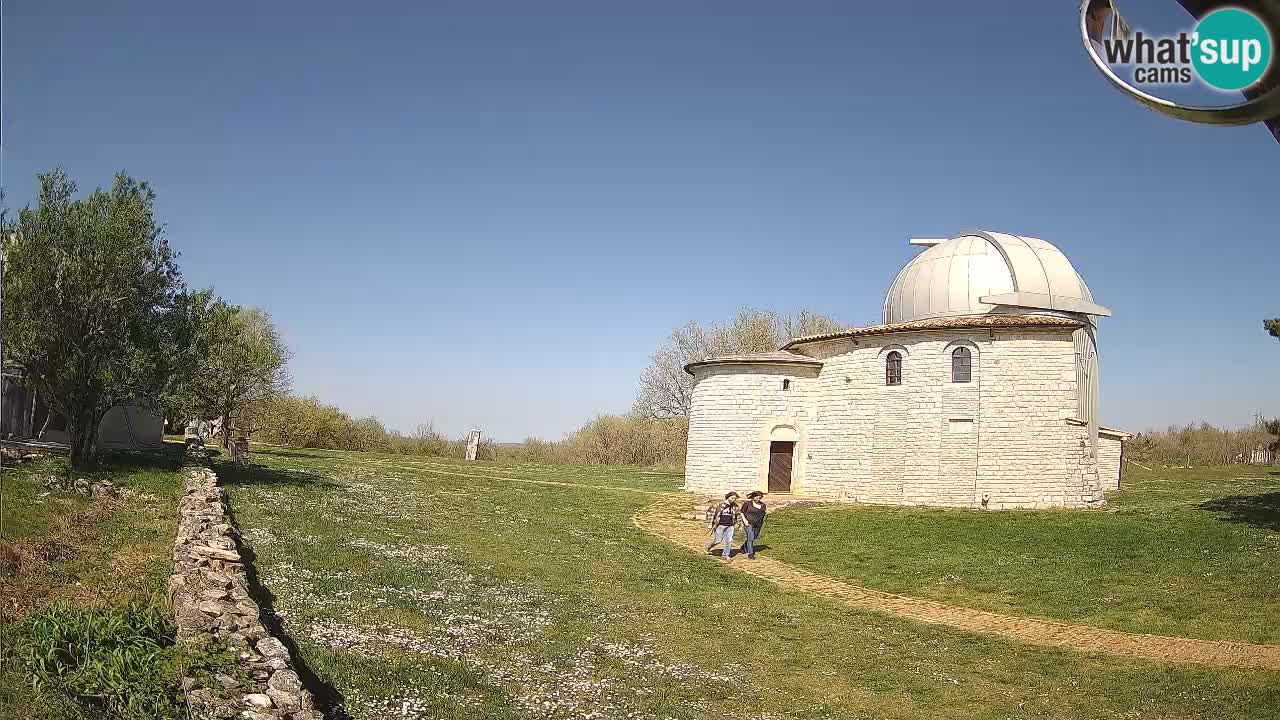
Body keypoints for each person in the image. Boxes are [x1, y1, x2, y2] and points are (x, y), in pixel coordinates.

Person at [705, 492, 741, 560]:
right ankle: (709, 547)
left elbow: (738, 515)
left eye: (735, 499)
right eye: (732, 498)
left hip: (730, 526)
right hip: (720, 525)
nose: (733, 500)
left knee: (729, 540)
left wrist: (739, 524)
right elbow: (711, 513)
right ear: (728, 497)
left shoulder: (735, 506)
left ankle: (725, 555)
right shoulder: (719, 505)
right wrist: (710, 523)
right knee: (718, 540)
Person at [739, 490, 767, 560]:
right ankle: (750, 553)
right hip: (749, 523)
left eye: (760, 498)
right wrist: (744, 520)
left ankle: (743, 546)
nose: (758, 499)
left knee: (754, 537)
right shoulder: (747, 503)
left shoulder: (763, 505)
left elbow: (763, 513)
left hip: (758, 524)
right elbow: (742, 512)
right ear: (753, 497)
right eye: (757, 497)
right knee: (751, 537)